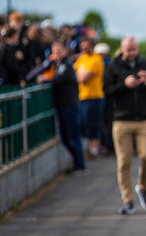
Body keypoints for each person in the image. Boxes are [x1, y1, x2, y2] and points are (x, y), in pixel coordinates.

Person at [103, 36, 146, 215]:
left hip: (144, 119)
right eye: (128, 50)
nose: (132, 53)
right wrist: (124, 85)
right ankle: (127, 200)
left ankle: (143, 187)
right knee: (124, 161)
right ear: (122, 49)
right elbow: (106, 91)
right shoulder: (114, 67)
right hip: (122, 120)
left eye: (134, 50)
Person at [38, 41, 86, 173]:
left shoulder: (66, 64)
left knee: (72, 136)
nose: (56, 54)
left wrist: (44, 80)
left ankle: (80, 165)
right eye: (54, 51)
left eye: (59, 51)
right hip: (64, 105)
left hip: (69, 105)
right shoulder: (59, 64)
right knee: (66, 137)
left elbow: (56, 80)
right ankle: (78, 164)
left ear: (65, 51)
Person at [74, 37, 105, 159]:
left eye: (87, 45)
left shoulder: (96, 59)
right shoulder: (82, 58)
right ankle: (90, 148)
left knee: (93, 123)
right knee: (83, 123)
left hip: (94, 96)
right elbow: (75, 72)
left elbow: (82, 78)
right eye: (82, 46)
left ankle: (93, 149)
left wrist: (78, 74)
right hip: (82, 96)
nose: (84, 48)